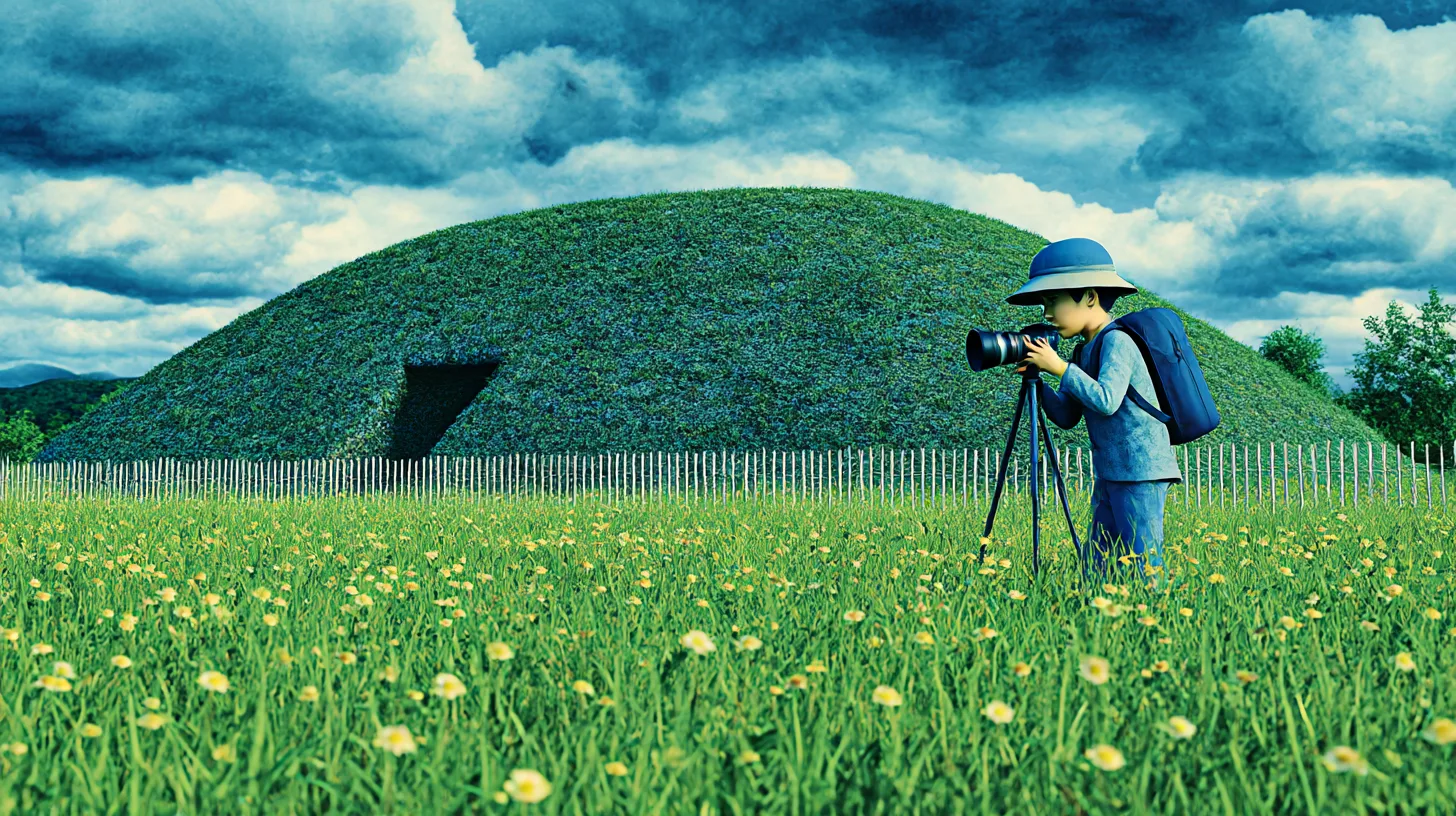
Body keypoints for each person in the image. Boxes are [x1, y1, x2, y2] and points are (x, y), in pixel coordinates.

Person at [1005, 238, 1183, 589]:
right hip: (1112, 470)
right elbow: (1069, 415)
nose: (1047, 314)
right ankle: (1101, 612)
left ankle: (1156, 616)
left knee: (1143, 558)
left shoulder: (1118, 341)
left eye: (1053, 301)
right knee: (1100, 558)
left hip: (1141, 469)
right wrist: (1038, 383)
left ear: (1089, 296)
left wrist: (1057, 367)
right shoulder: (1083, 351)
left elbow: (1106, 400)